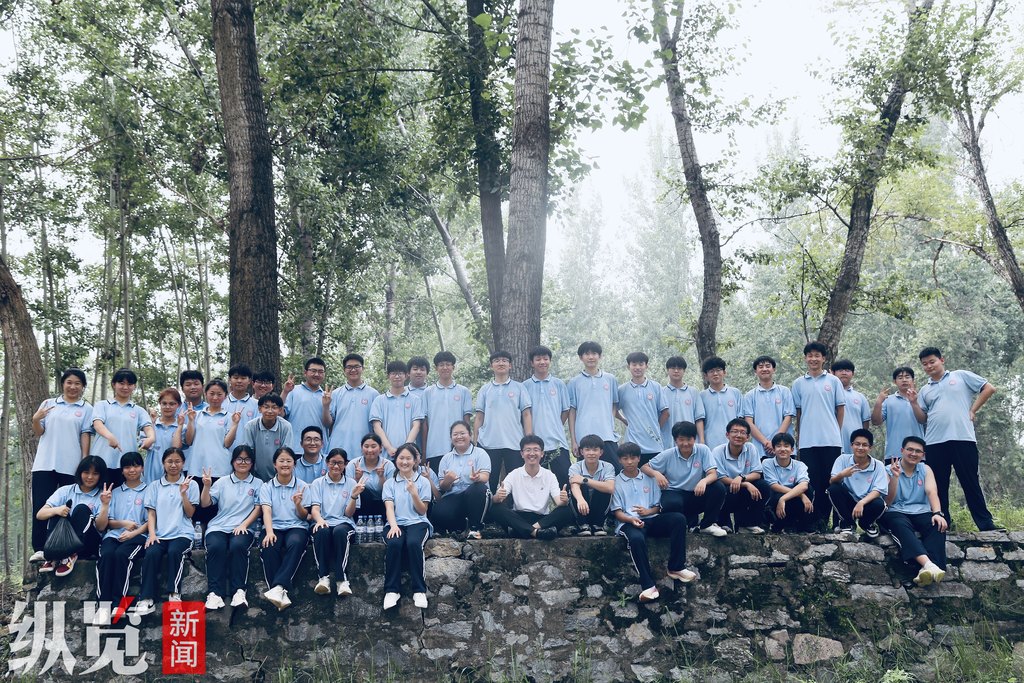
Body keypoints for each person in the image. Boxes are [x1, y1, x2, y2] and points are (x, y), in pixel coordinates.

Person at [912, 347, 1000, 531]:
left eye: (932, 361)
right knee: (938, 485)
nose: (929, 366)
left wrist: (973, 410)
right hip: (935, 442)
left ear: (941, 360)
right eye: (925, 364)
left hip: (962, 438)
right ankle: (942, 524)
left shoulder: (960, 376)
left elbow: (989, 388)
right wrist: (913, 403)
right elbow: (922, 419)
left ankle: (986, 524)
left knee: (970, 481)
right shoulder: (925, 390)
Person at [611, 442, 696, 603]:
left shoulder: (649, 478)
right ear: (620, 460)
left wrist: (647, 512)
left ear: (639, 458)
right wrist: (631, 519)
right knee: (636, 539)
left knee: (678, 519)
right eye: (625, 458)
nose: (629, 462)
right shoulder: (615, 482)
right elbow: (617, 512)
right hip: (628, 523)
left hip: (652, 519)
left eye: (633, 458)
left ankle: (676, 567)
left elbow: (658, 507)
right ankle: (648, 586)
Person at [30, 368, 94, 563]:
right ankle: (41, 548)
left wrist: (84, 461)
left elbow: (85, 435)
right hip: (45, 463)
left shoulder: (87, 409)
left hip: (71, 464)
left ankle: (66, 546)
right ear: (62, 384)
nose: (73, 387)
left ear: (83, 387)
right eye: (69, 382)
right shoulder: (49, 404)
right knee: (41, 505)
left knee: (68, 507)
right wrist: (35, 419)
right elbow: (39, 431)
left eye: (77, 383)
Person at [135, 447, 199, 616]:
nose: (173, 465)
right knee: (151, 553)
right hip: (159, 534)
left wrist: (183, 494)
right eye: (169, 461)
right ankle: (146, 598)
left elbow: (190, 513)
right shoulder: (155, 486)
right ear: (163, 463)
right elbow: (151, 513)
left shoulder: (191, 484)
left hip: (182, 533)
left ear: (183, 463)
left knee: (174, 552)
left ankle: (174, 594)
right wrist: (152, 534)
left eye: (177, 461)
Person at [200, 445, 263, 610]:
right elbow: (205, 503)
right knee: (216, 547)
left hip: (244, 527)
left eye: (247, 459)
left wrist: (244, 524)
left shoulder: (258, 483)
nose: (243, 462)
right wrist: (206, 486)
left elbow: (258, 508)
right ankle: (215, 594)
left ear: (252, 463)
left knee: (238, 546)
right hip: (219, 526)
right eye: (239, 459)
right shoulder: (222, 482)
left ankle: (239, 591)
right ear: (233, 461)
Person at [790, 341, 845, 528]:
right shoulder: (798, 383)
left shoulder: (834, 381)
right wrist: (799, 437)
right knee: (811, 482)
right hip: (807, 442)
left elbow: (840, 408)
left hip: (831, 441)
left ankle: (826, 521)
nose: (813, 359)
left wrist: (836, 430)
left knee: (830, 481)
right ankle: (811, 522)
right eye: (810, 355)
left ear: (824, 358)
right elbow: (798, 413)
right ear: (805, 358)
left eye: (817, 355)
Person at [880, 436, 947, 586]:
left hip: (921, 511)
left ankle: (927, 571)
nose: (913, 454)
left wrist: (937, 513)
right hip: (896, 510)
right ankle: (929, 566)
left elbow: (931, 492)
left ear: (923, 455)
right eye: (910, 449)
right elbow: (887, 501)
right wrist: (895, 478)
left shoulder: (925, 469)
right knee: (900, 526)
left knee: (937, 525)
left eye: (918, 451)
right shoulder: (887, 469)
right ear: (902, 451)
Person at [641, 421, 728, 537]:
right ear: (675, 440)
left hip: (696, 492)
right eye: (681, 440)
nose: (685, 443)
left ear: (694, 439)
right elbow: (644, 467)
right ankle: (681, 526)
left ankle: (707, 525)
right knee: (670, 504)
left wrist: (703, 481)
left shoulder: (703, 450)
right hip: (674, 492)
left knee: (718, 488)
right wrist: (656, 473)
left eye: (689, 439)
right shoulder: (668, 454)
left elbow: (713, 474)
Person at [93, 452, 148, 625]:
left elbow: (151, 521)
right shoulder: (114, 493)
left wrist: (133, 533)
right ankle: (103, 606)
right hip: (114, 535)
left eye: (136, 466)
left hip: (139, 536)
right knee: (107, 555)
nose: (132, 470)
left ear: (142, 468)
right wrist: (123, 523)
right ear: (122, 470)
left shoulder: (149, 490)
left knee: (122, 555)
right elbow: (105, 524)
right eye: (127, 467)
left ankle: (119, 604)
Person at [489, 435, 572, 540]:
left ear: (542, 453)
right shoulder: (514, 474)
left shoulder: (549, 475)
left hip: (541, 520)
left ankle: (526, 530)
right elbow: (497, 499)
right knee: (496, 508)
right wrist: (497, 497)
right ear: (522, 454)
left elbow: (559, 502)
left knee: (566, 511)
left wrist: (564, 500)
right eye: (528, 450)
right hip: (519, 516)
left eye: (536, 450)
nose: (532, 453)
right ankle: (537, 533)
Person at [382, 443, 433, 610]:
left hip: (418, 522)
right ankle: (392, 590)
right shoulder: (389, 483)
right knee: (394, 543)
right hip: (396, 522)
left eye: (408, 458)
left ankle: (419, 590)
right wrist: (393, 526)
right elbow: (389, 508)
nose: (404, 462)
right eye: (401, 458)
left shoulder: (423, 482)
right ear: (396, 460)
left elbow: (422, 510)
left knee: (413, 543)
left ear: (415, 460)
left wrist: (414, 493)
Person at [35, 455, 106, 576]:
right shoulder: (65, 491)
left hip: (88, 545)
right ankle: (52, 555)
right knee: (55, 512)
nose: (90, 477)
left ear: (100, 476)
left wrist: (105, 505)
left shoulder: (102, 496)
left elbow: (101, 528)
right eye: (86, 472)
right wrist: (57, 510)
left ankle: (70, 555)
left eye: (95, 474)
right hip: (62, 542)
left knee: (81, 509)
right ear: (80, 473)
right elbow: (40, 514)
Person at [259, 447, 311, 610]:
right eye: (281, 461)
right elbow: (266, 511)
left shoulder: (302, 486)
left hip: (296, 525)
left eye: (289, 461)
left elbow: (304, 516)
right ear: (274, 464)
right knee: (269, 545)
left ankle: (278, 587)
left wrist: (298, 504)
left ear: (294, 464)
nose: (285, 464)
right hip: (273, 526)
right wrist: (269, 532)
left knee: (296, 543)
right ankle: (280, 591)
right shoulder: (267, 487)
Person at [185, 379, 242, 525]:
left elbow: (227, 443)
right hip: (197, 468)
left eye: (219, 394)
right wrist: (190, 421)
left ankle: (215, 533)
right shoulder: (196, 415)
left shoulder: (229, 416)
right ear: (205, 394)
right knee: (197, 507)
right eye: (212, 393)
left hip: (220, 469)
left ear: (225, 396)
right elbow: (189, 440)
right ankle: (199, 535)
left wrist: (235, 425)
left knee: (216, 507)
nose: (215, 397)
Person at [474, 350, 533, 493]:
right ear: (491, 366)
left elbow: (526, 414)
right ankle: (489, 507)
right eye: (497, 361)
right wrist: (475, 441)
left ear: (510, 365)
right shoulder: (485, 389)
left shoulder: (519, 388)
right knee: (488, 483)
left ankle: (514, 507)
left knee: (516, 483)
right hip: (488, 443)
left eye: (504, 361)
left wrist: (529, 440)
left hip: (514, 442)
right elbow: (479, 417)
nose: (501, 363)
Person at [310, 448, 364, 597]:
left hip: (344, 522)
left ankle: (342, 580)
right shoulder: (318, 483)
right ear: (327, 463)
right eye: (333, 462)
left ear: (345, 464)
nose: (336, 466)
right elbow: (315, 509)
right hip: (324, 520)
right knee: (321, 531)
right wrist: (320, 520)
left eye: (340, 463)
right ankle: (323, 578)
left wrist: (353, 496)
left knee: (340, 532)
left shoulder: (352, 483)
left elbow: (349, 514)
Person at [90, 368, 155, 487]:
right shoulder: (102, 405)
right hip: (101, 460)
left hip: (126, 465)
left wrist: (151, 438)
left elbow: (148, 427)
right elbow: (97, 424)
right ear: (113, 384)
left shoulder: (138, 410)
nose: (125, 387)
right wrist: (110, 436)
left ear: (134, 386)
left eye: (129, 384)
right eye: (121, 383)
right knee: (100, 494)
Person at [431, 421, 491, 538]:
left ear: (470, 435)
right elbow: (443, 487)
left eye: (462, 433)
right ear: (451, 438)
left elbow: (485, 477)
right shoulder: (446, 458)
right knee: (438, 512)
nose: (459, 437)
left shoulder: (480, 453)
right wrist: (448, 480)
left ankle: (475, 528)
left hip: (475, 495)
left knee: (478, 488)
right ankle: (461, 526)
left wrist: (477, 477)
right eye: (455, 434)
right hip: (454, 495)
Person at [523, 345, 571, 486]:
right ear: (532, 363)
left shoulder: (559, 384)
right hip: (535, 445)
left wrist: (555, 426)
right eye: (538, 359)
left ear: (550, 361)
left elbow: (566, 410)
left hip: (558, 443)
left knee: (565, 481)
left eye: (545, 359)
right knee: (535, 484)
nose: (542, 362)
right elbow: (524, 414)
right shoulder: (524, 386)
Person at [827, 429, 888, 540]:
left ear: (870, 447)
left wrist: (862, 502)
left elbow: (879, 490)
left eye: (864, 445)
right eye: (857, 444)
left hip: (866, 503)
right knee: (834, 489)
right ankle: (847, 524)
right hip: (848, 502)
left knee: (880, 504)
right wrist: (842, 475)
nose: (860, 447)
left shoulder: (878, 465)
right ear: (851, 445)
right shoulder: (843, 459)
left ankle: (867, 524)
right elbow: (832, 481)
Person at [568, 341, 620, 471]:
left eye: (594, 353)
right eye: (587, 354)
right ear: (581, 357)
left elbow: (614, 404)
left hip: (607, 435)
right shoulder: (574, 382)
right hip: (584, 436)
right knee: (586, 474)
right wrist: (574, 440)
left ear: (600, 356)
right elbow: (572, 411)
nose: (591, 357)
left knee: (616, 471)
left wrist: (610, 423)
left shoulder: (610, 379)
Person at [711, 419, 768, 533]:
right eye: (734, 431)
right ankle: (722, 522)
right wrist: (745, 484)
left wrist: (741, 478)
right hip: (727, 489)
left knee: (763, 486)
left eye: (742, 432)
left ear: (747, 437)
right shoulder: (718, 451)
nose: (738, 435)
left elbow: (757, 473)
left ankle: (747, 524)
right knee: (719, 488)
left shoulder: (751, 448)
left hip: (744, 489)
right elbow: (719, 477)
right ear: (727, 435)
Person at [421, 351, 474, 474]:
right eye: (441, 365)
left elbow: (466, 420)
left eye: (448, 364)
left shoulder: (463, 391)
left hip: (458, 447)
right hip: (434, 448)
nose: (445, 367)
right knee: (436, 482)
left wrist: (470, 444)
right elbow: (425, 423)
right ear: (436, 368)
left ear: (453, 367)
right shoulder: (428, 392)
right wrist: (424, 451)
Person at [325, 353, 379, 465]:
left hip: (364, 450)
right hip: (338, 448)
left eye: (357, 366)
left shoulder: (373, 394)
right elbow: (328, 423)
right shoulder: (336, 394)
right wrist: (325, 406)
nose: (353, 370)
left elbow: (377, 426)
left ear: (363, 368)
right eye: (349, 367)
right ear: (344, 370)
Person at [616, 352, 668, 464]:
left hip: (654, 444)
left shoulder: (656, 387)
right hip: (632, 444)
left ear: (646, 366)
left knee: (656, 474)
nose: (637, 367)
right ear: (628, 366)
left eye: (641, 364)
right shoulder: (622, 390)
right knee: (633, 473)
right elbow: (614, 410)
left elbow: (665, 412)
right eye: (634, 364)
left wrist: (656, 427)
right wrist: (625, 420)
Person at [742, 356, 795, 457]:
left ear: (774, 369)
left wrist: (775, 442)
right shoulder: (750, 396)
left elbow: (788, 418)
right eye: (760, 367)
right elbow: (749, 422)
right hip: (760, 449)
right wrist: (766, 443)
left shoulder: (785, 391)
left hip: (784, 447)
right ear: (755, 371)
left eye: (767, 366)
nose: (764, 369)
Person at [370, 360, 425, 458]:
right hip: (385, 455)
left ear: (406, 375)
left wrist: (405, 448)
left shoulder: (415, 400)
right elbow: (376, 426)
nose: (397, 376)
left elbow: (416, 426)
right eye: (393, 373)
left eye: (400, 373)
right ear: (388, 376)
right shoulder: (379, 400)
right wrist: (388, 447)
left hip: (409, 455)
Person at [761, 433, 814, 533]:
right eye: (778, 446)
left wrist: (784, 498)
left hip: (791, 500)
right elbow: (773, 485)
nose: (782, 449)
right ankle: (777, 525)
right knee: (775, 494)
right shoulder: (767, 463)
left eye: (786, 446)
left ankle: (802, 525)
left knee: (809, 490)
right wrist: (801, 495)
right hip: (775, 499)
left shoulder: (800, 465)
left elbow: (804, 485)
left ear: (792, 450)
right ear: (773, 449)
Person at [871, 367, 924, 464]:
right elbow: (876, 422)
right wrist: (878, 402)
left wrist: (914, 402)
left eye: (907, 377)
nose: (904, 380)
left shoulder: (921, 398)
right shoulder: (888, 400)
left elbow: (924, 420)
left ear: (913, 380)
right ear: (894, 381)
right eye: (900, 377)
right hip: (894, 452)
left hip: (918, 452)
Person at [567, 434, 616, 536]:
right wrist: (580, 500)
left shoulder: (608, 467)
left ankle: (598, 525)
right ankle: (582, 524)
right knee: (579, 487)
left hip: (598, 507)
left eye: (595, 450)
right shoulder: (575, 467)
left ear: (601, 452)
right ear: (582, 452)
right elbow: (574, 486)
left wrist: (584, 480)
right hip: (581, 506)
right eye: (587, 449)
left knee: (603, 487)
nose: (591, 453)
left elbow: (610, 488)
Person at [241, 393, 293, 481]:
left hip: (279, 476)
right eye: (266, 407)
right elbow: (248, 452)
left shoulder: (286, 427)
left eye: (274, 407)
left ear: (280, 410)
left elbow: (286, 454)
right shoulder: (250, 426)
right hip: (254, 476)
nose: (270, 411)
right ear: (259, 409)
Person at [282, 357, 329, 452]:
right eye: (313, 371)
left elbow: (328, 424)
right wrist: (285, 392)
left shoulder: (327, 396)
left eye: (320, 372)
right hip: (295, 448)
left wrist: (326, 406)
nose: (317, 374)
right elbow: (280, 414)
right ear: (305, 373)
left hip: (319, 450)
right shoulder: (293, 391)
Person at [345, 433, 395, 520]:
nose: (370, 450)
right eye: (366, 446)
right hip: (361, 504)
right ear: (361, 447)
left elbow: (391, 492)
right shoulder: (353, 464)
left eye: (373, 446)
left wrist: (381, 477)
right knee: (364, 492)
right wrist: (357, 479)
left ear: (380, 448)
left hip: (383, 502)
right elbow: (349, 491)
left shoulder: (388, 465)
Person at [699, 357, 743, 450]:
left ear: (724, 372)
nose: (715, 373)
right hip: (710, 443)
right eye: (711, 371)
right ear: (706, 375)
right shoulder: (701, 396)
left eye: (718, 370)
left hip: (733, 442)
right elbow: (700, 421)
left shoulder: (735, 393)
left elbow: (741, 418)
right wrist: (702, 442)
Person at [660, 356, 705, 447]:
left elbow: (699, 418)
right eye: (673, 368)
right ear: (667, 370)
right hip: (667, 442)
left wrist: (702, 440)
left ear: (684, 371)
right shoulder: (661, 392)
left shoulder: (693, 392)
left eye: (679, 368)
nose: (676, 371)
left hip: (689, 442)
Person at [832, 359, 871, 453]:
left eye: (847, 370)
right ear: (833, 373)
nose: (844, 373)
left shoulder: (860, 397)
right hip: (833, 442)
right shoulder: (829, 395)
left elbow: (865, 422)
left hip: (855, 445)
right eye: (840, 370)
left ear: (853, 374)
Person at [148, 388, 184, 485]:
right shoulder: (150, 425)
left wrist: (179, 426)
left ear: (178, 405)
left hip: (173, 475)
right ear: (159, 404)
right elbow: (147, 445)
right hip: (151, 474)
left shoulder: (182, 427)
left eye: (172, 404)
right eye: (164, 403)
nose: (167, 407)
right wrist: (152, 424)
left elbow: (176, 447)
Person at [225, 364, 259, 452]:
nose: (239, 381)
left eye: (243, 378)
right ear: (229, 379)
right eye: (236, 378)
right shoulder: (222, 403)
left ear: (249, 381)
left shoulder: (256, 405)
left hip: (248, 454)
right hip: (224, 452)